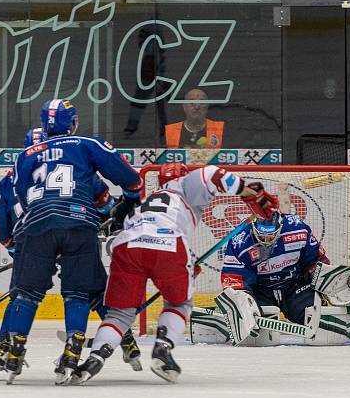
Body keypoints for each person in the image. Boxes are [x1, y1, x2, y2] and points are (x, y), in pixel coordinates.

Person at [68, 162, 279, 385]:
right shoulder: (185, 185)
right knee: (179, 305)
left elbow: (129, 238)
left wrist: (185, 263)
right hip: (168, 244)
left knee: (120, 314)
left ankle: (94, 359)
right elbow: (214, 174)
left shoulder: (142, 202)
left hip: (127, 246)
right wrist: (253, 195)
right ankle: (163, 348)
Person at [7, 99, 143, 385]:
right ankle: (73, 349)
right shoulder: (85, 144)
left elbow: (20, 196)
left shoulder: (25, 156)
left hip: (36, 227)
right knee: (80, 292)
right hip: (78, 223)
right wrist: (130, 198)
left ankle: (14, 352)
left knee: (26, 294)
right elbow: (127, 178)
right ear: (73, 122)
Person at [216, 212, 330, 344]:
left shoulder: (298, 229)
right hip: (261, 291)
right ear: (253, 227)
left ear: (280, 227)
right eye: (261, 236)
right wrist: (242, 301)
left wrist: (318, 275)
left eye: (270, 236)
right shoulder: (239, 240)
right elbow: (234, 279)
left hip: (294, 286)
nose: (266, 241)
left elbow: (316, 260)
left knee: (315, 316)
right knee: (259, 335)